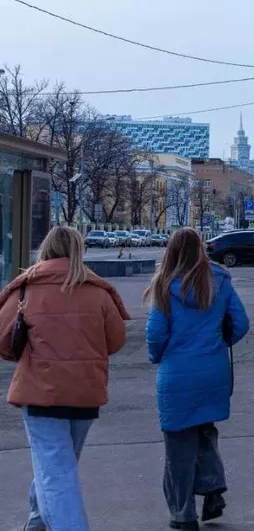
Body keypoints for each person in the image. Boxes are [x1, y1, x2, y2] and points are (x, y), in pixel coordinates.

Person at [0, 225, 130, 531]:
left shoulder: (27, 289)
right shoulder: (97, 290)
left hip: (40, 394)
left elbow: (3, 339)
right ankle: (36, 521)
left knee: (55, 469)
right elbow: (115, 340)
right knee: (59, 466)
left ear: (46, 249)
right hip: (85, 394)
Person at [145, 228, 250, 531]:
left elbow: (155, 334)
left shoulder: (165, 285)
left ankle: (183, 514)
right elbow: (241, 323)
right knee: (205, 431)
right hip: (213, 370)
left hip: (177, 375)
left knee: (178, 445)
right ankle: (213, 487)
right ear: (202, 248)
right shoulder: (220, 280)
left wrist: (159, 357)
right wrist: (218, 343)